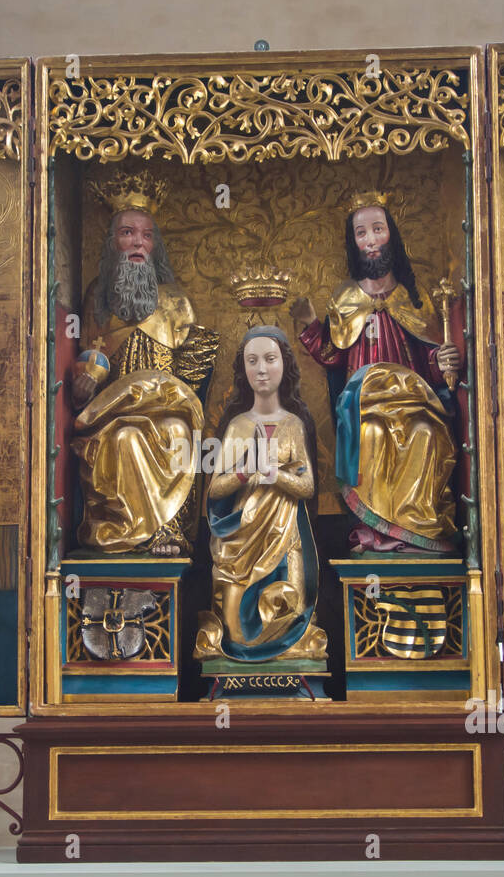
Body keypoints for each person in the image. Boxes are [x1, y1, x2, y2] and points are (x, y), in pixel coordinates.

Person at [292, 192, 462, 553]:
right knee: (368, 435)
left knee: (426, 434)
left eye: (377, 230)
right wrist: (309, 327)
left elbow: (427, 356)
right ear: (353, 243)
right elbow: (332, 356)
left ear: (391, 236)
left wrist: (442, 362)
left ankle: (421, 531)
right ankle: (373, 534)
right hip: (365, 402)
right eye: (361, 233)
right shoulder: (345, 299)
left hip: (413, 401)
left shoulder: (413, 299)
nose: (370, 240)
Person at [71, 172, 218, 555]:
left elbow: (192, 370)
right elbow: (91, 353)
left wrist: (187, 382)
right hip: (113, 411)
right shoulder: (97, 297)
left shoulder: (175, 300)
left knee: (177, 435)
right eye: (127, 233)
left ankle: (167, 532)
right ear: (113, 243)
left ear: (155, 246)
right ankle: (129, 533)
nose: (138, 241)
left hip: (165, 405)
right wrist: (86, 380)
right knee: (124, 440)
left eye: (146, 235)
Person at [195, 327, 328, 662]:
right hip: (240, 542)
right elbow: (216, 489)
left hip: (285, 537)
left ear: (284, 366)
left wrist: (276, 475)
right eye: (252, 361)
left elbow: (308, 486)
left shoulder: (294, 425)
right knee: (237, 631)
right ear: (243, 370)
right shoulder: (238, 425)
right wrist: (247, 473)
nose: (262, 369)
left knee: (291, 612)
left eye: (270, 359)